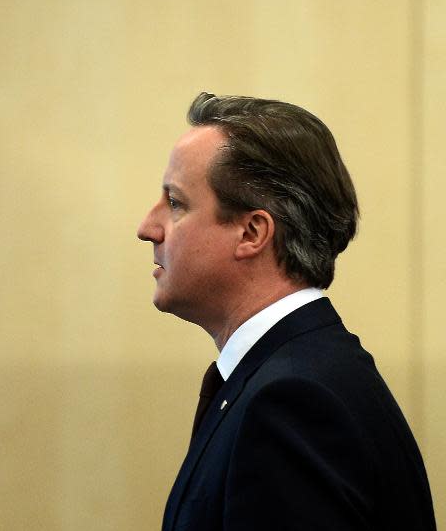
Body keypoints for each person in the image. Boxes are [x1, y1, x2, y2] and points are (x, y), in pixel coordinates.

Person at [137, 92, 435, 531]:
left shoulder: (291, 403)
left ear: (252, 232)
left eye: (176, 203)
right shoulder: (292, 374)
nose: (148, 228)